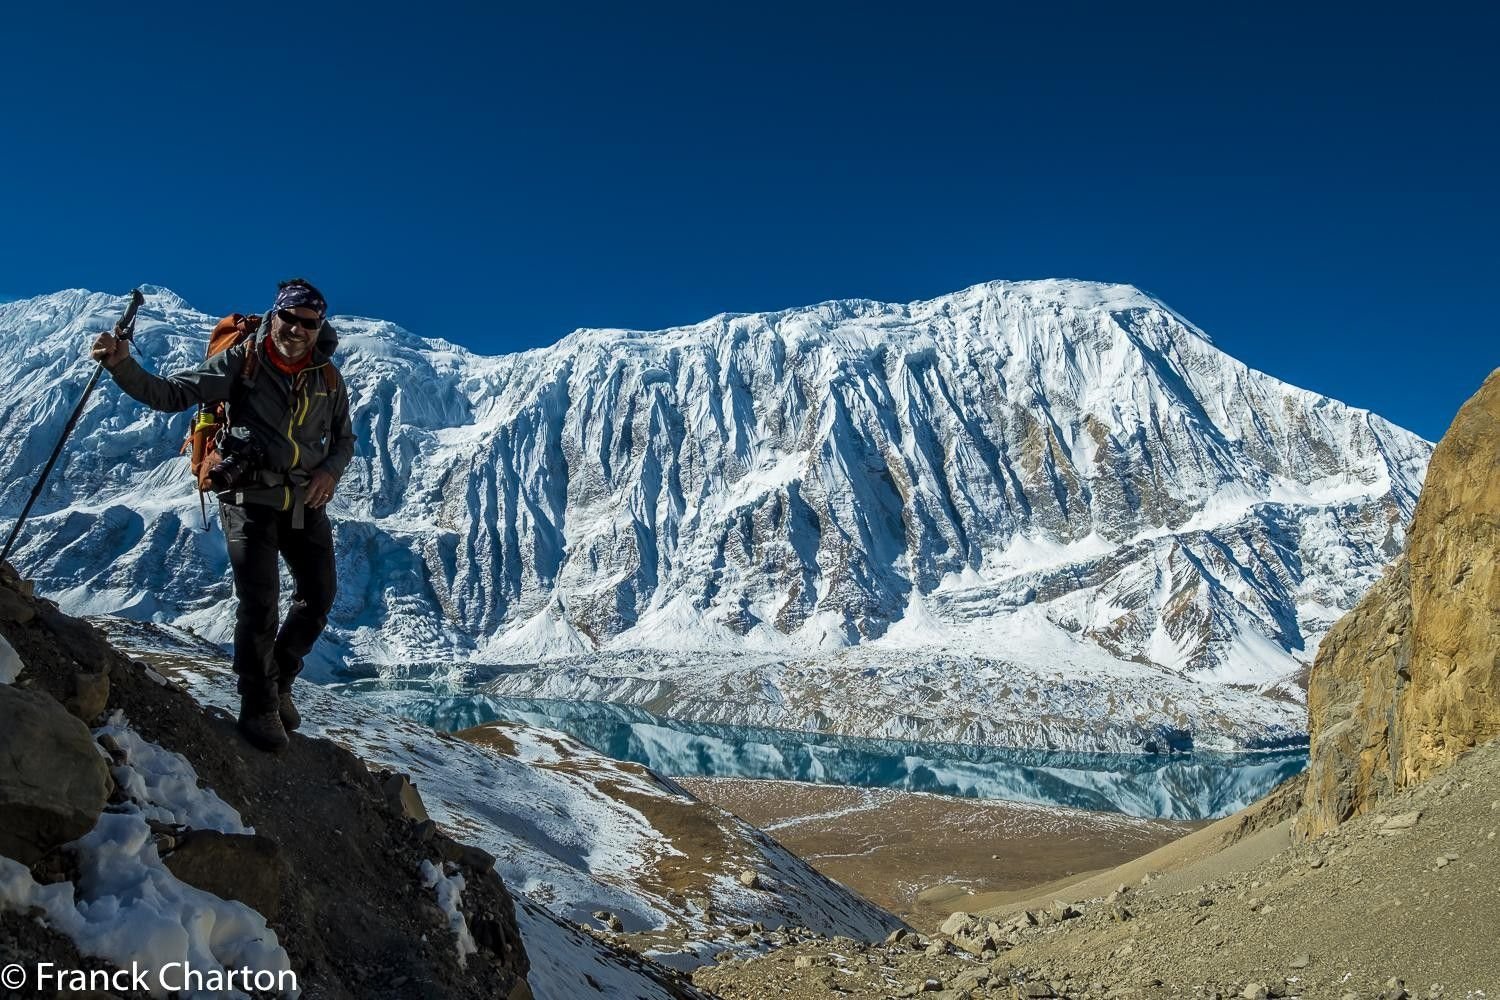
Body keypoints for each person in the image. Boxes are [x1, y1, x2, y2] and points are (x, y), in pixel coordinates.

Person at [91, 279, 355, 752]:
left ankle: (280, 681)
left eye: (307, 323)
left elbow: (343, 439)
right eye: (288, 318)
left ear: (319, 327)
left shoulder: (327, 378)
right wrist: (121, 365)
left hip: (301, 503)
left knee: (318, 596)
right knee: (260, 604)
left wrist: (330, 473)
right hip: (247, 501)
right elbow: (174, 393)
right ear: (274, 316)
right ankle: (258, 706)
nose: (295, 329)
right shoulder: (242, 361)